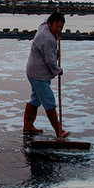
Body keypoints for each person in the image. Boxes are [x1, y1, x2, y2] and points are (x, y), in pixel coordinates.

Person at [23, 11, 70, 140]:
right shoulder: (48, 39)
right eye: (57, 26)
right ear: (50, 24)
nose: (59, 30)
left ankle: (28, 127)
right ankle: (59, 131)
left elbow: (47, 18)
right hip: (39, 74)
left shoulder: (45, 24)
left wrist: (57, 14)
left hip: (33, 69)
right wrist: (58, 70)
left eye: (61, 27)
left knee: (36, 99)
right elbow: (50, 61)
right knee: (49, 100)